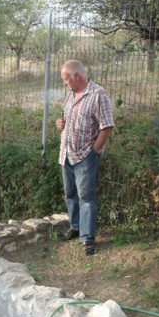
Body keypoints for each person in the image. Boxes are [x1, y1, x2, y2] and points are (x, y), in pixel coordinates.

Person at [56, 59, 114, 256]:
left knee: (86, 198)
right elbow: (66, 119)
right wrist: (60, 124)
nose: (64, 83)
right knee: (70, 194)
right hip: (66, 154)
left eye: (66, 79)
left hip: (85, 156)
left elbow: (106, 126)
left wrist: (94, 151)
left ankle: (88, 238)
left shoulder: (99, 95)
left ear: (76, 76)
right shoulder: (71, 95)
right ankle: (76, 227)